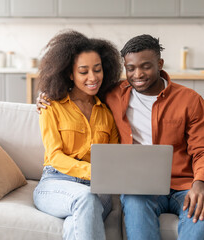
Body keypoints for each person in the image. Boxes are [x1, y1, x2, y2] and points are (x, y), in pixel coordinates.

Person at [37, 34, 204, 240]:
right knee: (130, 202)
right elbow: (79, 92)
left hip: (185, 183)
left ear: (160, 64)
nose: (137, 74)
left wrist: (201, 184)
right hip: (139, 186)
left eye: (146, 66)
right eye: (130, 68)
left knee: (203, 213)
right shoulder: (114, 95)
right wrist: (46, 94)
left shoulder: (190, 100)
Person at [33, 30, 122, 240]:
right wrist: (93, 171)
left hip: (97, 188)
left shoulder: (107, 114)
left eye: (97, 70)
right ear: (70, 73)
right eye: (83, 71)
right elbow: (54, 156)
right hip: (55, 182)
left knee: (81, 210)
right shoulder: (51, 106)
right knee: (84, 199)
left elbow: (115, 157)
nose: (93, 77)